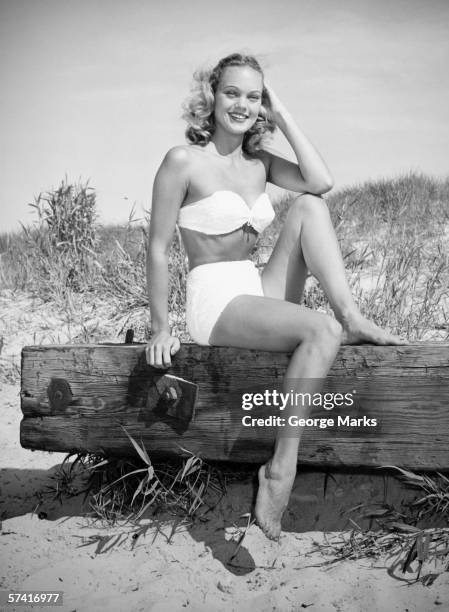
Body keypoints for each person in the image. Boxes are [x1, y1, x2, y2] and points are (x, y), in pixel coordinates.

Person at [146, 52, 404, 541]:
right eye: (231, 93)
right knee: (317, 329)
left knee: (309, 206)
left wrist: (282, 114)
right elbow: (157, 250)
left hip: (254, 286)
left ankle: (351, 315)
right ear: (212, 96)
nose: (241, 104)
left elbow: (320, 181)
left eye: (253, 95)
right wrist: (162, 327)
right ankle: (280, 469)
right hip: (215, 301)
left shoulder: (258, 162)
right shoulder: (183, 161)